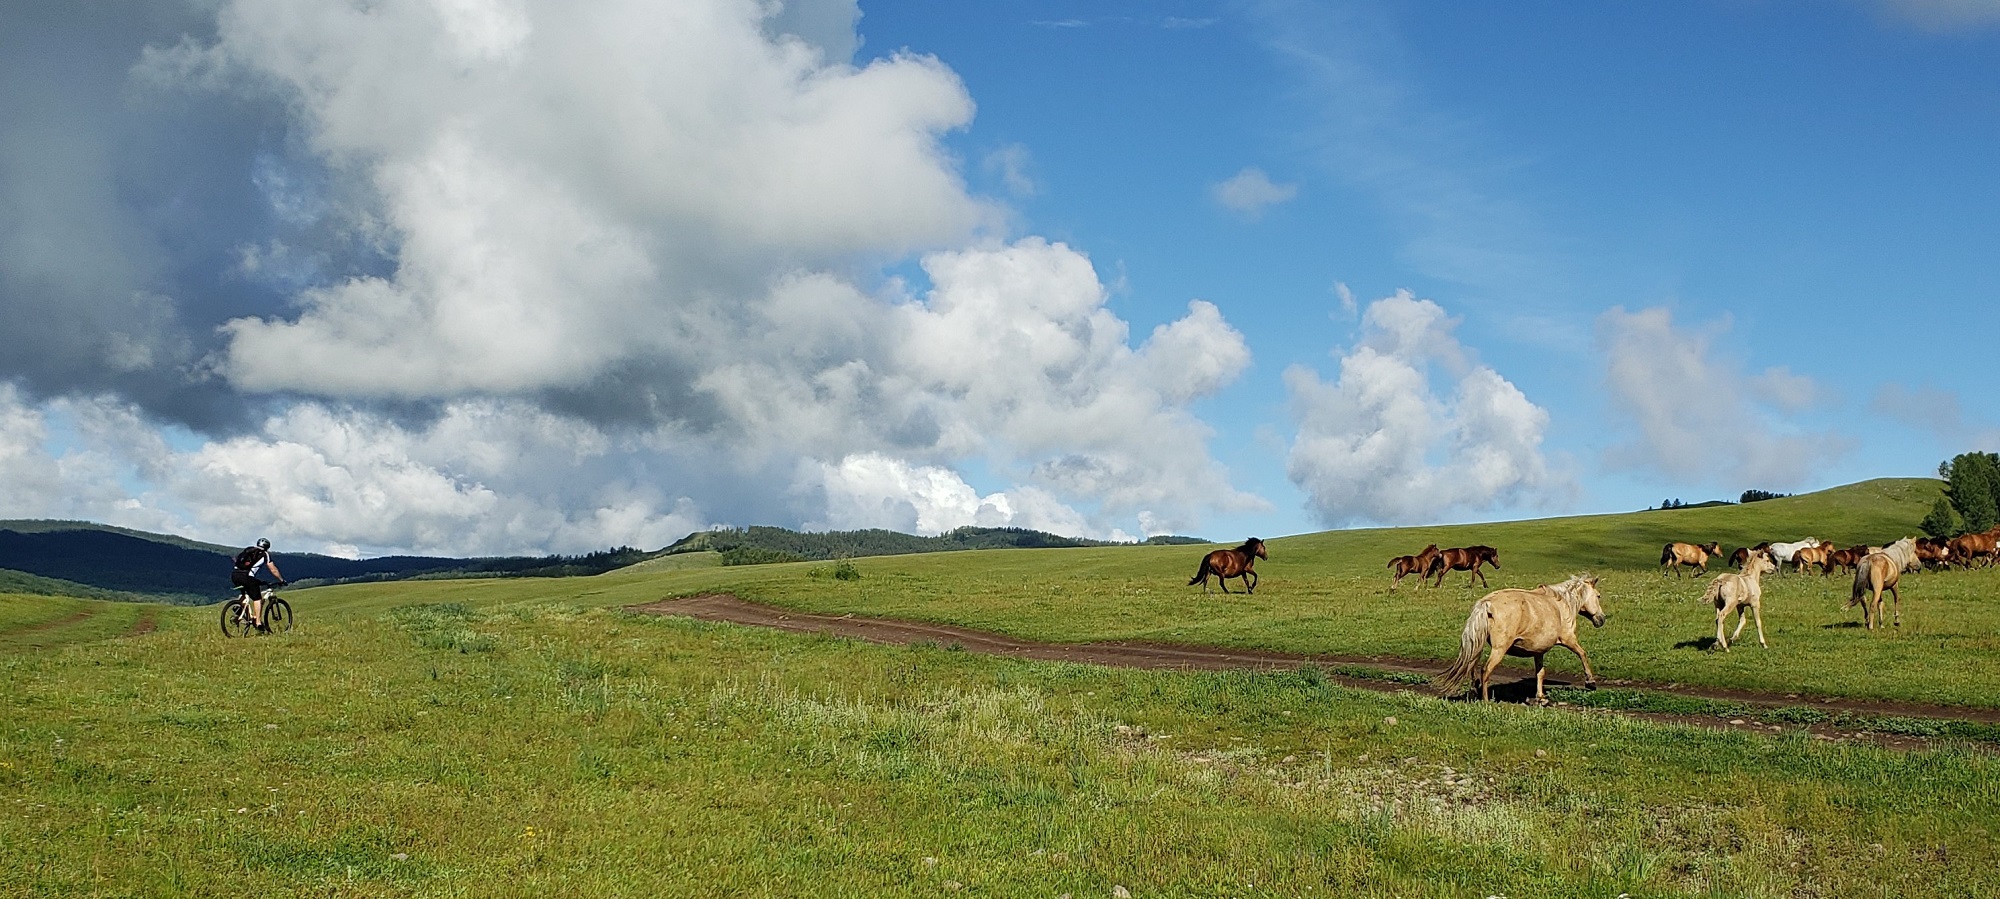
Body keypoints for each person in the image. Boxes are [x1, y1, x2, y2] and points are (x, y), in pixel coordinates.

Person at [231, 538, 286, 631]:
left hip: (235, 575)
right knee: (257, 598)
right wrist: (281, 579)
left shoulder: (248, 550)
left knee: (244, 593)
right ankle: (258, 622)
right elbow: (273, 569)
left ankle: (242, 611)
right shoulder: (265, 554)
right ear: (267, 547)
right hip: (247, 576)